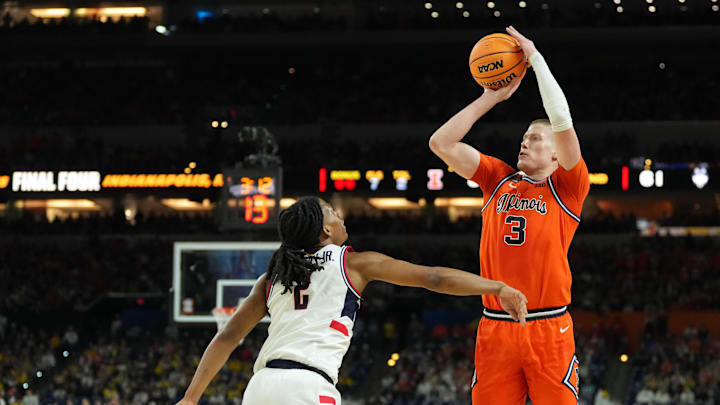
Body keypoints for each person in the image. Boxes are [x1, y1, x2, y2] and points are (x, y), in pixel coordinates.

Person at [175, 197, 528, 405]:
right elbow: (433, 277)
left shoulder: (273, 278)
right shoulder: (352, 263)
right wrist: (496, 287)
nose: (340, 215)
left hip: (261, 388)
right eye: (332, 211)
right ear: (325, 231)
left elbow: (227, 337)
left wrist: (191, 398)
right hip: (308, 387)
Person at [428, 26, 590, 405]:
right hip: (495, 326)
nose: (524, 141)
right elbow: (441, 143)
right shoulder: (496, 179)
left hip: (549, 326)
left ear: (555, 155)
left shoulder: (568, 188)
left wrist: (536, 60)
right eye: (523, 137)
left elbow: (561, 120)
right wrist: (490, 97)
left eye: (535, 138)